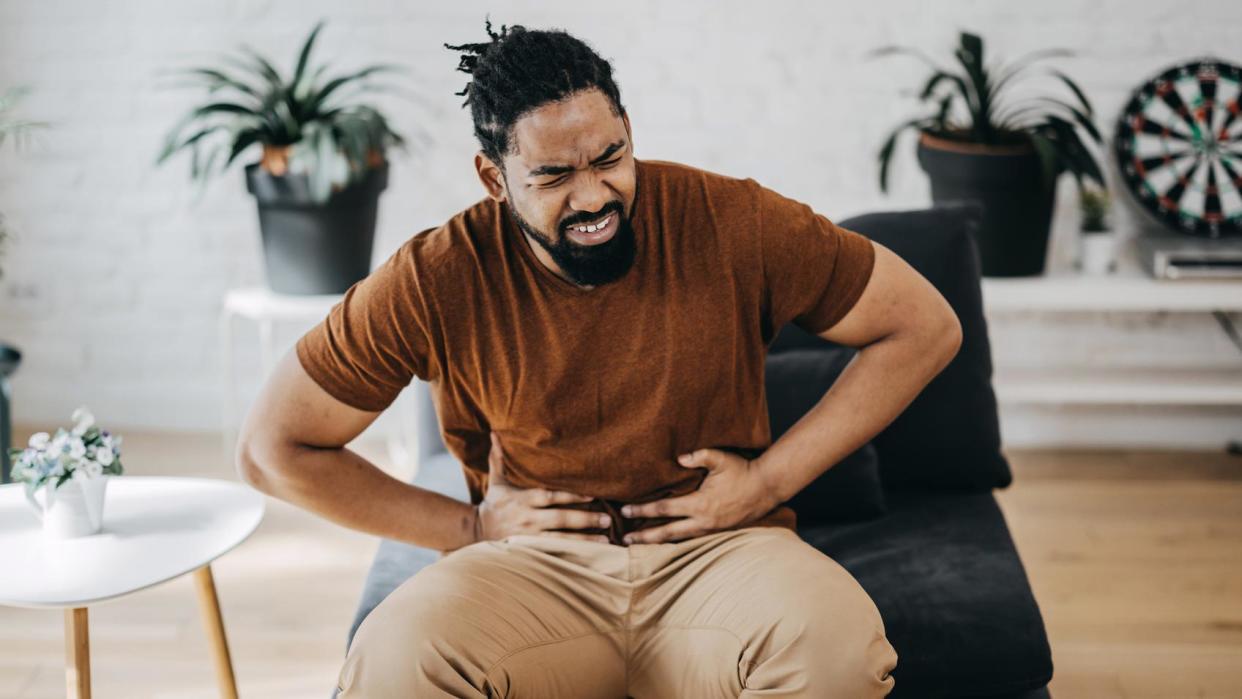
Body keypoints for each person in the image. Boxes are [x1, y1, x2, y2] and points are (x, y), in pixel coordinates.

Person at [237, 19, 962, 698]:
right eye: (553, 176)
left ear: (628, 132)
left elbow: (924, 326)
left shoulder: (731, 220)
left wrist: (766, 480)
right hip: (531, 569)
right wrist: (467, 528)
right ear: (494, 179)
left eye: (610, 158)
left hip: (718, 553)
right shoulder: (437, 275)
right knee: (391, 663)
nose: (595, 196)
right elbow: (272, 448)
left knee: (838, 648)